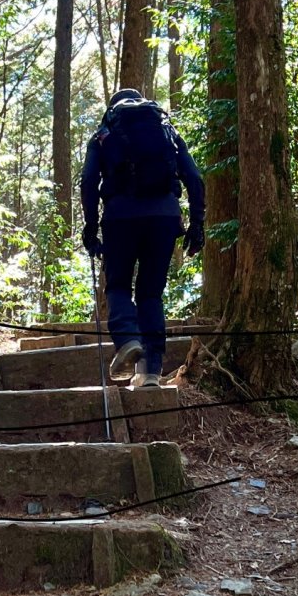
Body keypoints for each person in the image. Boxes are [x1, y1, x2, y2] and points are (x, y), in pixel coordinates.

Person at [80, 88, 205, 387]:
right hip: (163, 218)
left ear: (113, 108)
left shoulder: (104, 134)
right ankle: (150, 370)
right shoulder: (167, 130)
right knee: (150, 292)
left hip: (119, 218)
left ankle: (127, 341)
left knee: (119, 285)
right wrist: (197, 224)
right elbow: (194, 178)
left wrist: (90, 225)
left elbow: (87, 182)